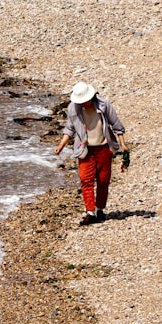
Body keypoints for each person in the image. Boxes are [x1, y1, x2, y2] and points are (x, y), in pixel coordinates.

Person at [53, 82, 129, 225]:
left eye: (85, 101)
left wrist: (122, 143)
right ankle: (90, 212)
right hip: (84, 148)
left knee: (103, 179)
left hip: (104, 147)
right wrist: (61, 145)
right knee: (85, 179)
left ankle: (100, 210)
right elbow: (69, 129)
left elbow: (116, 124)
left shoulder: (103, 105)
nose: (83, 104)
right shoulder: (73, 109)